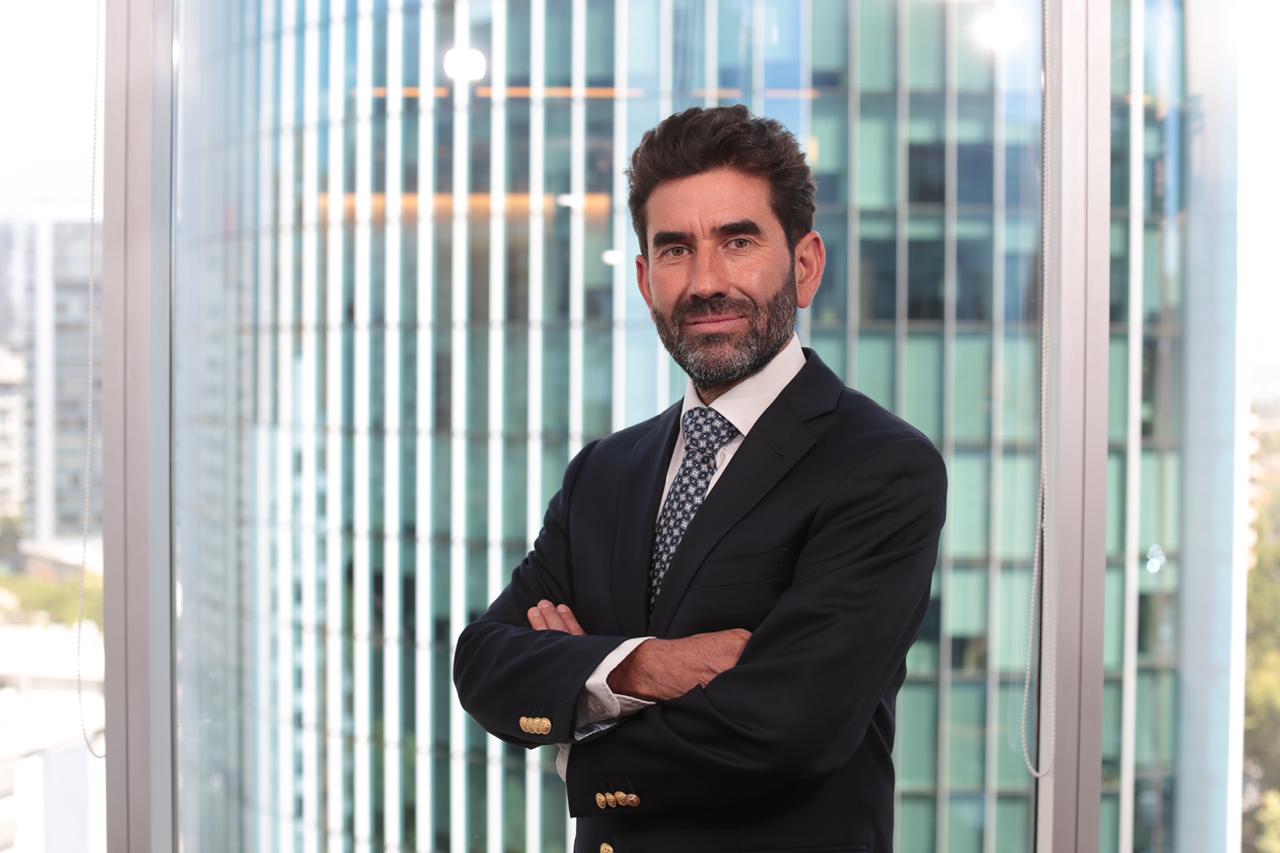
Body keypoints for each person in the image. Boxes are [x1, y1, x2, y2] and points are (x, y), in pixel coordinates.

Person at [453, 104, 947, 853]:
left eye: (738, 241)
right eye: (676, 249)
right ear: (645, 279)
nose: (706, 281)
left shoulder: (880, 467)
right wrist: (644, 667)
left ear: (805, 266)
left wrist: (583, 716)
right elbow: (485, 662)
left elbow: (789, 727)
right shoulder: (605, 471)